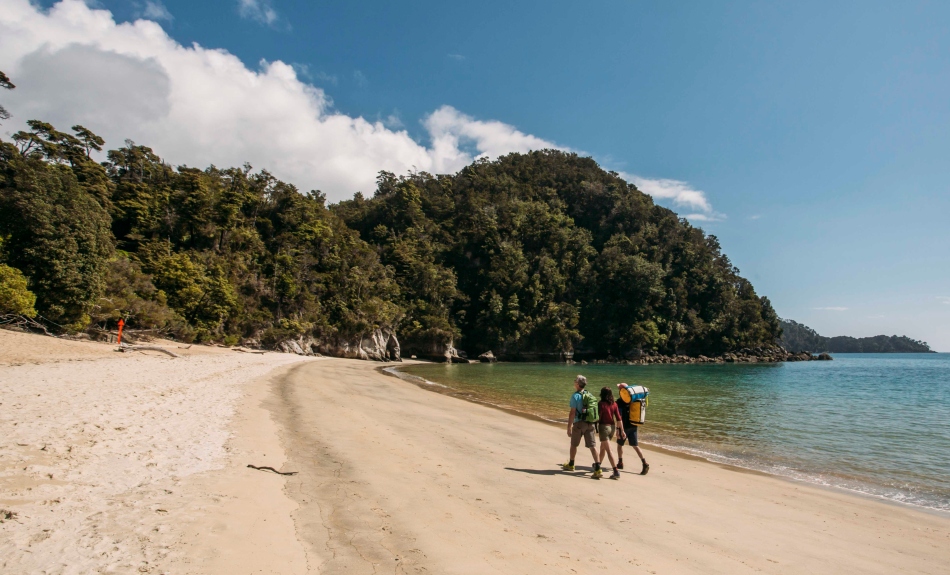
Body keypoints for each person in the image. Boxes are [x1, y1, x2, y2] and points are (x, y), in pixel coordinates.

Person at [562, 375, 603, 478]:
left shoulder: (575, 396)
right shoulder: (589, 394)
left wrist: (568, 427)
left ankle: (571, 464)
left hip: (579, 423)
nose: (574, 382)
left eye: (575, 380)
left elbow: (572, 413)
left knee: (574, 445)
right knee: (592, 446)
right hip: (590, 423)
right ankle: (598, 469)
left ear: (577, 384)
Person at [616, 383, 650, 475]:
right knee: (635, 446)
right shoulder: (634, 400)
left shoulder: (619, 402)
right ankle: (644, 463)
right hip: (634, 425)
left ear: (621, 390)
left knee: (620, 445)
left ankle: (620, 462)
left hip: (624, 426)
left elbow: (618, 416)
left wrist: (617, 429)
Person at [597, 387, 623, 479]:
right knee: (602, 447)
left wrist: (594, 426)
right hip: (612, 428)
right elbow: (619, 419)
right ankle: (598, 464)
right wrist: (622, 431)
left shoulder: (601, 404)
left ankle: (615, 470)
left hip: (604, 427)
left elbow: (599, 417)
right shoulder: (614, 404)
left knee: (609, 450)